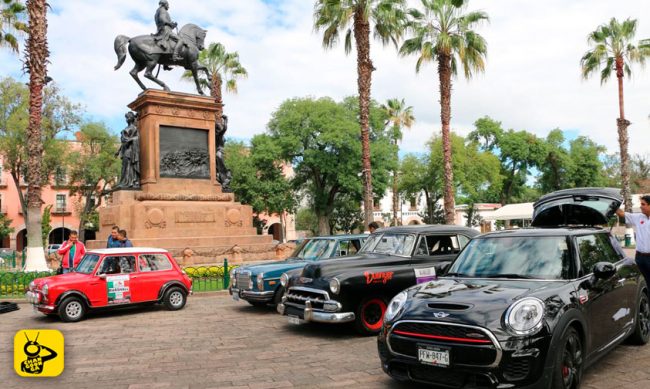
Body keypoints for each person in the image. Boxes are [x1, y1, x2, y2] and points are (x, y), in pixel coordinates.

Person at [616, 195, 650, 295]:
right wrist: (613, 205)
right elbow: (622, 214)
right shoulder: (639, 217)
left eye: (643, 204)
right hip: (640, 257)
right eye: (640, 204)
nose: (641, 206)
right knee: (642, 282)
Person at [116, 112, 140, 188]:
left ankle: (129, 182)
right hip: (125, 150)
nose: (127, 119)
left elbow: (137, 138)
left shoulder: (134, 128)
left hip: (130, 150)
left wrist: (130, 140)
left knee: (128, 167)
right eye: (126, 118)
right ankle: (124, 182)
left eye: (128, 117)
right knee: (124, 167)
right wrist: (118, 150)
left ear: (132, 118)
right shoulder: (127, 128)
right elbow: (124, 141)